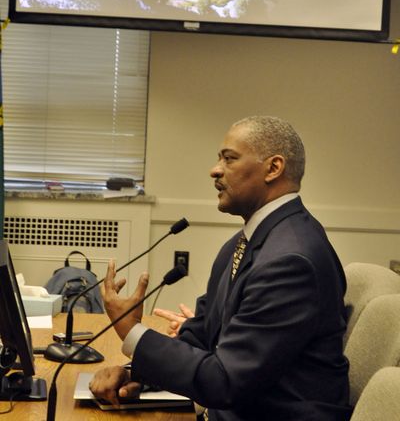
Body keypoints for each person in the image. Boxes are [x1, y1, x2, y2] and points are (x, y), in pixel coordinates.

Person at [90, 115, 353, 421]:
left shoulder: (290, 260)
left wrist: (132, 331)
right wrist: (138, 372)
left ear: (273, 168)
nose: (215, 170)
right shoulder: (246, 241)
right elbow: (202, 334)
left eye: (229, 159)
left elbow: (225, 381)